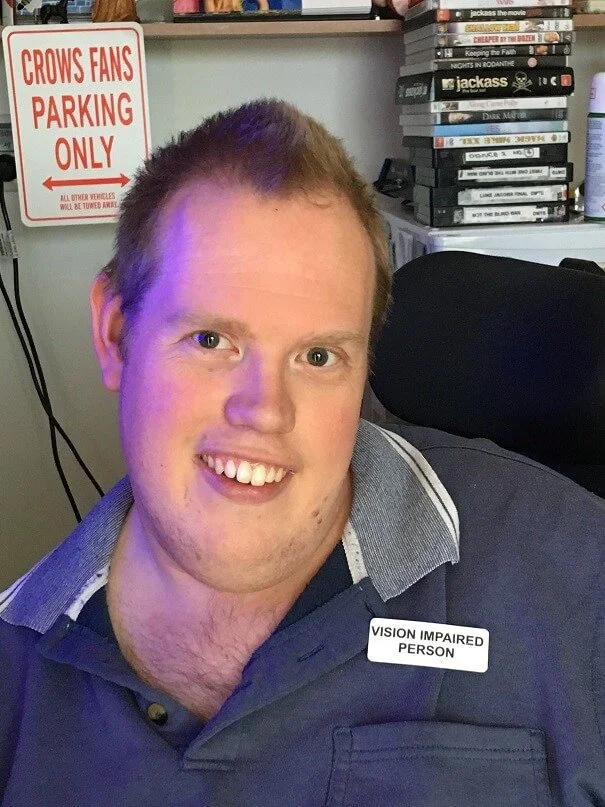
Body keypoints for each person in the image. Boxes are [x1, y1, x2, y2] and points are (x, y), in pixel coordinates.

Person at [0, 99, 603, 807]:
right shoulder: (16, 680)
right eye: (211, 340)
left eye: (318, 356)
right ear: (114, 332)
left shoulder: (574, 573)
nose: (264, 410)